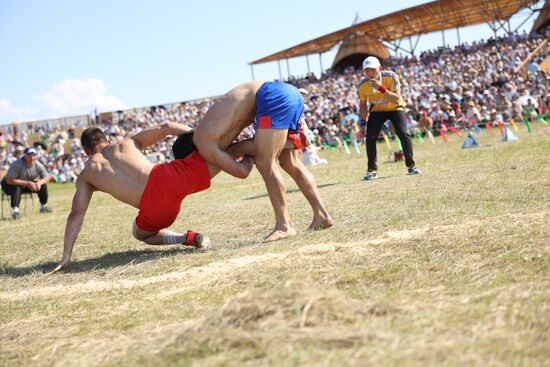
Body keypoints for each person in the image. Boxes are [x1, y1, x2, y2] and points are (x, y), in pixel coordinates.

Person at [48, 123, 254, 274]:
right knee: (229, 150)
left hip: (155, 208)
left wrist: (66, 256)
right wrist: (193, 137)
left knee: (140, 232)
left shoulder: (87, 174)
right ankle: (256, 151)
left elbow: (76, 215)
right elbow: (166, 127)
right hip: (170, 176)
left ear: (85, 151)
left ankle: (185, 238)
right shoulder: (125, 142)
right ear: (107, 140)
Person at [193, 81, 333, 242]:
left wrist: (241, 154)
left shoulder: (203, 139)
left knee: (266, 162)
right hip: (287, 93)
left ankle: (284, 226)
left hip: (271, 98)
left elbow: (239, 167)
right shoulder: (210, 125)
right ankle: (322, 215)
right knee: (289, 162)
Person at [358, 56, 420, 180]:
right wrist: (362, 122)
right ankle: (371, 170)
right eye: (367, 71)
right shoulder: (362, 85)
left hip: (395, 108)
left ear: (380, 68)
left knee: (403, 134)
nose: (370, 73)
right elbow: (363, 105)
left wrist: (380, 87)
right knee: (370, 137)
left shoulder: (392, 77)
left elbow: (397, 99)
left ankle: (411, 166)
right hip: (377, 111)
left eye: (373, 70)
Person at [1, 147, 54, 220]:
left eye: (34, 155)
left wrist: (39, 183)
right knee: (16, 187)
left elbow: (47, 178)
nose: (32, 157)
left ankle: (43, 207)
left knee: (43, 185)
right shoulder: (17, 164)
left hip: (26, 184)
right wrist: (27, 183)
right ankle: (15, 211)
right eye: (30, 155)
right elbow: (9, 180)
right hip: (8, 184)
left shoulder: (38, 165)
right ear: (25, 155)